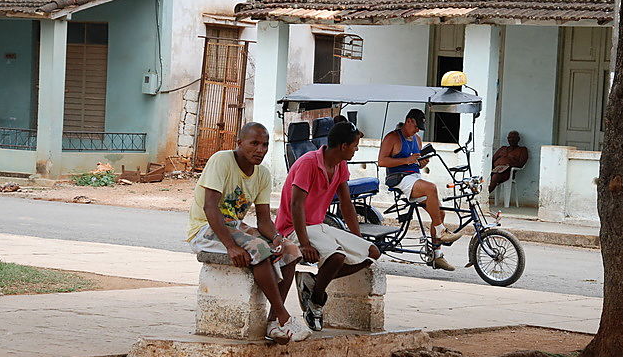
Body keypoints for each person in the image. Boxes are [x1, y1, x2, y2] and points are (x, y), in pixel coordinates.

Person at [186, 122, 311, 344]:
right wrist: (231, 246)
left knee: (290, 250)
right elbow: (210, 207)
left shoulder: (262, 174)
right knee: (258, 248)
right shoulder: (221, 161)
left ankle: (273, 323)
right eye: (254, 143)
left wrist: (277, 238)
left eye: (264, 144)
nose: (260, 150)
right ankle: (284, 316)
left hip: (235, 228)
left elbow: (264, 219)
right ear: (239, 143)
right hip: (206, 228)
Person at [276, 121, 381, 331]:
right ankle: (316, 302)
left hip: (318, 224)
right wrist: (304, 243)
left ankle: (313, 285)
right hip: (293, 228)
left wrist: (357, 236)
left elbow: (346, 203)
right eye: (354, 145)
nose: (356, 149)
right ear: (343, 146)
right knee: (336, 257)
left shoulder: (340, 165)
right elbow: (296, 204)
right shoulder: (309, 163)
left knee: (371, 252)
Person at [377, 108, 462, 272]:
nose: (417, 131)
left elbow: (417, 162)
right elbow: (381, 161)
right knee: (431, 188)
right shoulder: (392, 137)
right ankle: (440, 231)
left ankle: (437, 256)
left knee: (440, 212)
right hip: (399, 178)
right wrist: (406, 160)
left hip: (414, 177)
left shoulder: (416, 139)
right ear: (409, 121)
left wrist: (422, 162)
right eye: (416, 126)